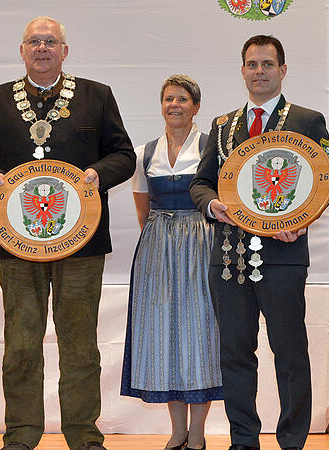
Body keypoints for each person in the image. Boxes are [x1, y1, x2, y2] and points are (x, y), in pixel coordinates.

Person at [0, 16, 135, 450]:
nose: (42, 48)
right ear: (22, 50)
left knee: (80, 345)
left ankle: (84, 436)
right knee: (20, 343)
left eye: (51, 42)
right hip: (17, 244)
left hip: (83, 243)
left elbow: (125, 156)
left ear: (64, 51)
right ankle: (20, 435)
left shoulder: (98, 96)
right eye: (34, 42)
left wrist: (96, 173)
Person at [189, 35, 329, 450]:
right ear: (242, 71)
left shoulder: (307, 121)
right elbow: (201, 184)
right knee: (234, 353)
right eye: (252, 64)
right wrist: (213, 204)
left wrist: (304, 222)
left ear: (283, 70)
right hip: (229, 257)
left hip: (284, 255)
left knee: (290, 353)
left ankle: (292, 440)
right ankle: (243, 440)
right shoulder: (222, 125)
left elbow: (324, 185)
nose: (259, 71)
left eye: (267, 64)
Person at [119, 75, 221, 450]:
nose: (174, 105)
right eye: (168, 99)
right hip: (158, 247)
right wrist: (160, 244)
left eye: (182, 99)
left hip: (200, 241)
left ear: (196, 107)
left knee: (201, 331)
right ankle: (177, 431)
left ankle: (197, 432)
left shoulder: (211, 147)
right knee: (164, 334)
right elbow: (143, 210)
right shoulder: (146, 152)